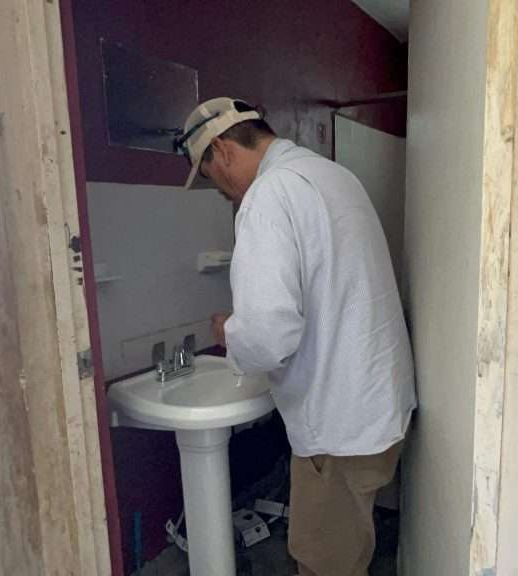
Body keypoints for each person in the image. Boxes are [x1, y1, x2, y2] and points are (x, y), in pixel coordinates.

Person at [176, 97, 416, 576]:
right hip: (378, 408)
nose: (220, 191)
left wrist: (230, 332)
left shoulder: (267, 197)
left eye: (210, 176)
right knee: (351, 549)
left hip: (338, 428)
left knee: (324, 564)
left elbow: (268, 334)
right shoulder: (333, 176)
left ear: (222, 150)